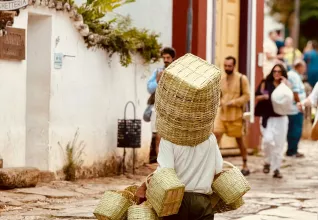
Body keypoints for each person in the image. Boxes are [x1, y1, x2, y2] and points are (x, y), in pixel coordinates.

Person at [136, 53, 223, 220]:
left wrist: (144, 187)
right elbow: (218, 170)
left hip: (176, 204)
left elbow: (164, 174)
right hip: (203, 204)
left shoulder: (169, 140)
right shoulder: (210, 138)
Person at [214, 56, 250, 176]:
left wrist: (233, 102)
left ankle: (245, 163)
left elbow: (247, 96)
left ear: (234, 66)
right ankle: (214, 165)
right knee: (216, 137)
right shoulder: (221, 79)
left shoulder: (242, 79)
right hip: (222, 115)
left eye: (229, 66)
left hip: (236, 116)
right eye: (225, 66)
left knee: (240, 141)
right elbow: (218, 95)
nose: (227, 68)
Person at [255, 64, 289, 178]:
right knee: (268, 141)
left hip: (281, 118)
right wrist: (264, 97)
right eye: (275, 71)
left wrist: (285, 84)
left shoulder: (285, 85)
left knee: (279, 144)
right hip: (268, 117)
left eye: (279, 71)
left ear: (283, 73)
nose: (277, 73)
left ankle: (276, 169)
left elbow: (291, 96)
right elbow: (257, 96)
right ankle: (267, 161)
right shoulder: (266, 83)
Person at [147, 47, 176, 163]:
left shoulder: (177, 72)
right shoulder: (158, 71)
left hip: (172, 108)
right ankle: (160, 164)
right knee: (157, 135)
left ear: (173, 58)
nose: (166, 60)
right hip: (159, 107)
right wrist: (157, 81)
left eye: (168, 58)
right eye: (164, 58)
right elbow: (150, 88)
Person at [286, 60, 307, 157]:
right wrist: (299, 104)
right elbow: (295, 92)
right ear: (299, 67)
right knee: (295, 129)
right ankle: (292, 150)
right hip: (295, 108)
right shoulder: (293, 76)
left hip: (294, 107)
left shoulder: (295, 75)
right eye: (304, 67)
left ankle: (293, 149)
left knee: (294, 129)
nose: (304, 70)